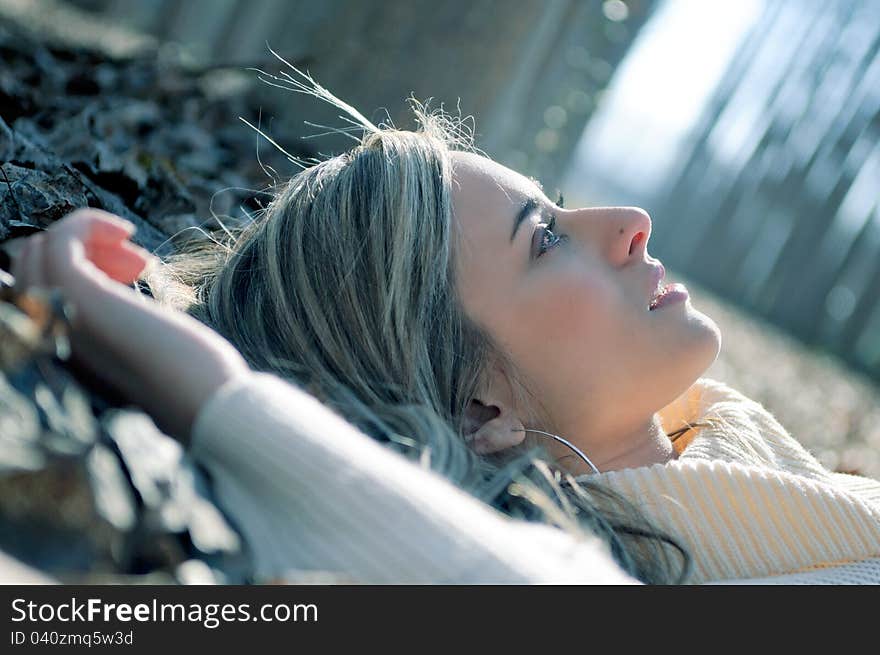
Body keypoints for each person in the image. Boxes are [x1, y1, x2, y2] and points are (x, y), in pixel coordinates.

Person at [10, 66, 880, 584]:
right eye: (546, 240)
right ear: (479, 410)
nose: (631, 221)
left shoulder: (761, 477)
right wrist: (218, 398)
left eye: (559, 212)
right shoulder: (593, 566)